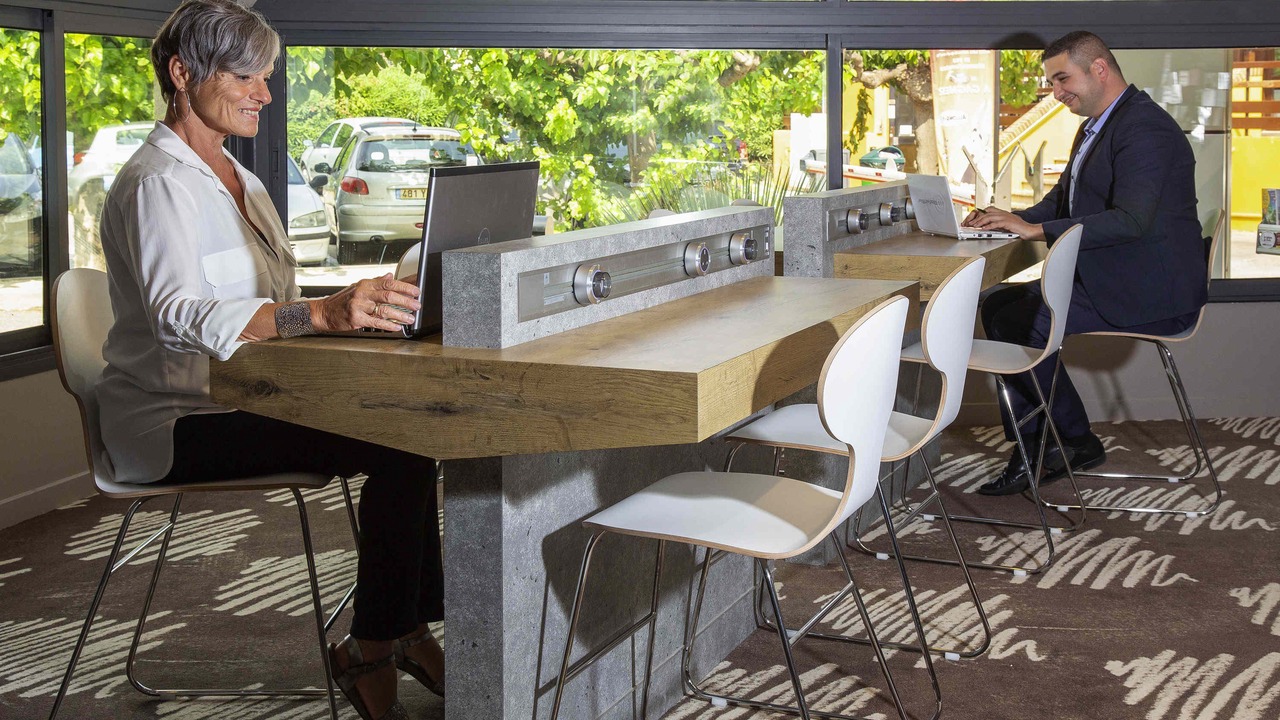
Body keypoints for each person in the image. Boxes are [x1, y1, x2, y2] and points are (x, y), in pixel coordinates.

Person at [96, 2, 440, 718]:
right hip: (176, 423)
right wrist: (317, 315)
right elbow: (179, 313)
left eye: (268, 76)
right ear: (183, 74)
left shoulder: (240, 180)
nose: (265, 93)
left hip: (253, 397)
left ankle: (400, 625)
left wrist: (356, 308)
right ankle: (379, 642)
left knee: (415, 428)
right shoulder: (159, 183)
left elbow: (275, 304)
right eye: (247, 75)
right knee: (401, 442)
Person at [960, 31, 1208, 496]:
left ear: (1099, 69)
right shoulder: (1098, 124)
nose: (1055, 93)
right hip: (1118, 273)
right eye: (1052, 82)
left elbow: (1132, 221)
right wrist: (1010, 219)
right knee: (996, 306)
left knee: (1030, 320)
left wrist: (1038, 232)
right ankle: (1067, 440)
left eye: (1061, 79)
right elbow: (1063, 202)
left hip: (1151, 290)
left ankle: (1052, 444)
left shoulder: (1144, 128)